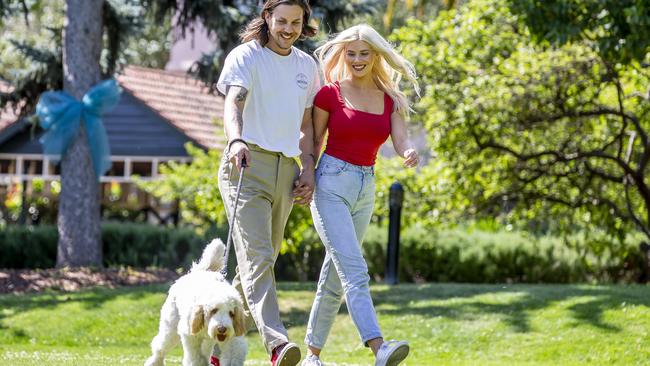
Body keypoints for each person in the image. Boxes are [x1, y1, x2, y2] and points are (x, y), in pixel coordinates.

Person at [301, 24, 420, 366]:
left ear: (376, 55)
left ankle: (312, 355)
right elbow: (314, 139)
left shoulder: (389, 99)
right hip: (331, 184)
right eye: (350, 53)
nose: (357, 60)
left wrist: (409, 152)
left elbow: (401, 139)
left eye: (364, 53)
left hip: (365, 187)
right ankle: (378, 346)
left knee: (335, 274)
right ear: (342, 55)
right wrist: (306, 172)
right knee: (354, 270)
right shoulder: (330, 94)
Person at [215, 1, 320, 366]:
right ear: (267, 19)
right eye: (281, 21)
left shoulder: (307, 67)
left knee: (259, 264)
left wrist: (308, 167)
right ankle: (277, 345)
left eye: (295, 22)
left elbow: (308, 126)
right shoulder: (247, 56)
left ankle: (216, 350)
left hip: (286, 169)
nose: (288, 29)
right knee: (258, 258)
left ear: (304, 23)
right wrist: (236, 140)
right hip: (245, 164)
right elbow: (234, 103)